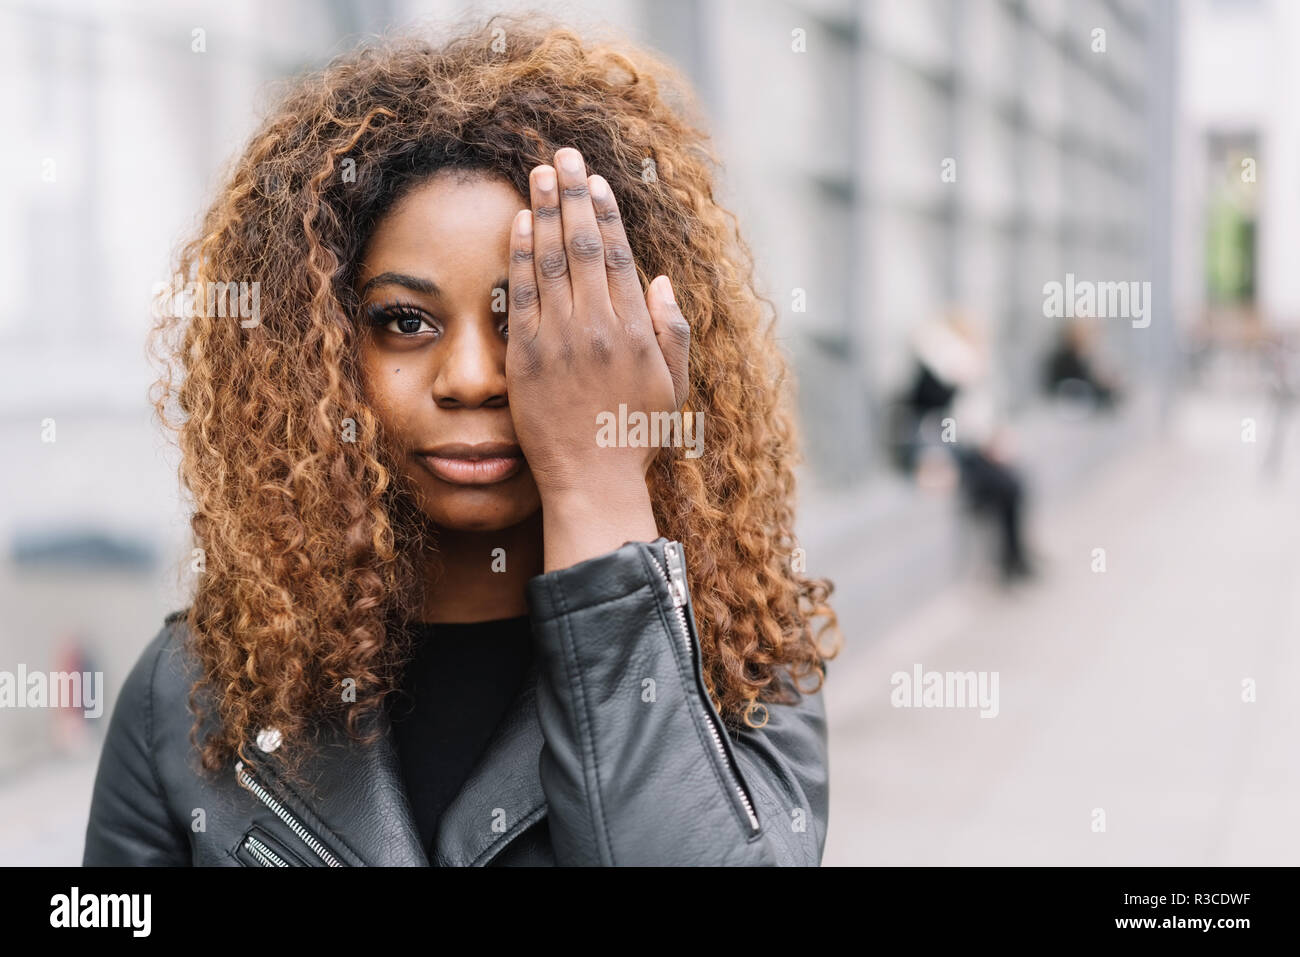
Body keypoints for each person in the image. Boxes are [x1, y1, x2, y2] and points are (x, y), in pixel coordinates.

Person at [81, 14, 841, 867]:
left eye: (527, 316)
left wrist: (598, 483)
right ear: (313, 352)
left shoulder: (741, 662)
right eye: (405, 321)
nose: (473, 376)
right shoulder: (189, 693)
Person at [895, 312, 1034, 583]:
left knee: (1015, 481)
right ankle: (1011, 561)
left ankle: (1016, 558)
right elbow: (928, 415)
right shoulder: (935, 374)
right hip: (950, 454)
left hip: (967, 451)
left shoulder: (972, 375)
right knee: (1006, 484)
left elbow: (978, 420)